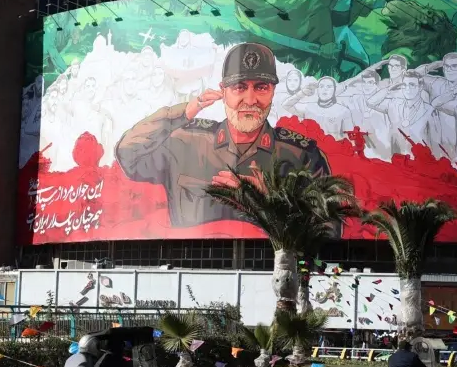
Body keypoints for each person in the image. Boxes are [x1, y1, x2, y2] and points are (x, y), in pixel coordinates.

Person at [115, 42, 331, 228]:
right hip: (191, 264)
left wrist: (271, 197)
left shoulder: (301, 155)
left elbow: (330, 226)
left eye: (261, 87)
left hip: (273, 267)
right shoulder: (185, 141)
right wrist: (184, 112)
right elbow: (128, 154)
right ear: (223, 91)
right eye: (239, 87)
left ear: (273, 90)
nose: (250, 99)